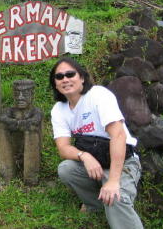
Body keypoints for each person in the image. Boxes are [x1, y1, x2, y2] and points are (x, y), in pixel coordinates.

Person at [49, 57, 143, 229]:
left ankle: (114, 204)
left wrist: (114, 180)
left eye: (70, 74)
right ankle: (97, 205)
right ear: (55, 84)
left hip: (122, 162)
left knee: (116, 196)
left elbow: (118, 136)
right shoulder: (59, 110)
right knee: (66, 169)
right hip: (94, 161)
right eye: (59, 77)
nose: (65, 79)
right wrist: (84, 156)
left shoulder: (98, 95)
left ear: (82, 78)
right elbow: (63, 148)